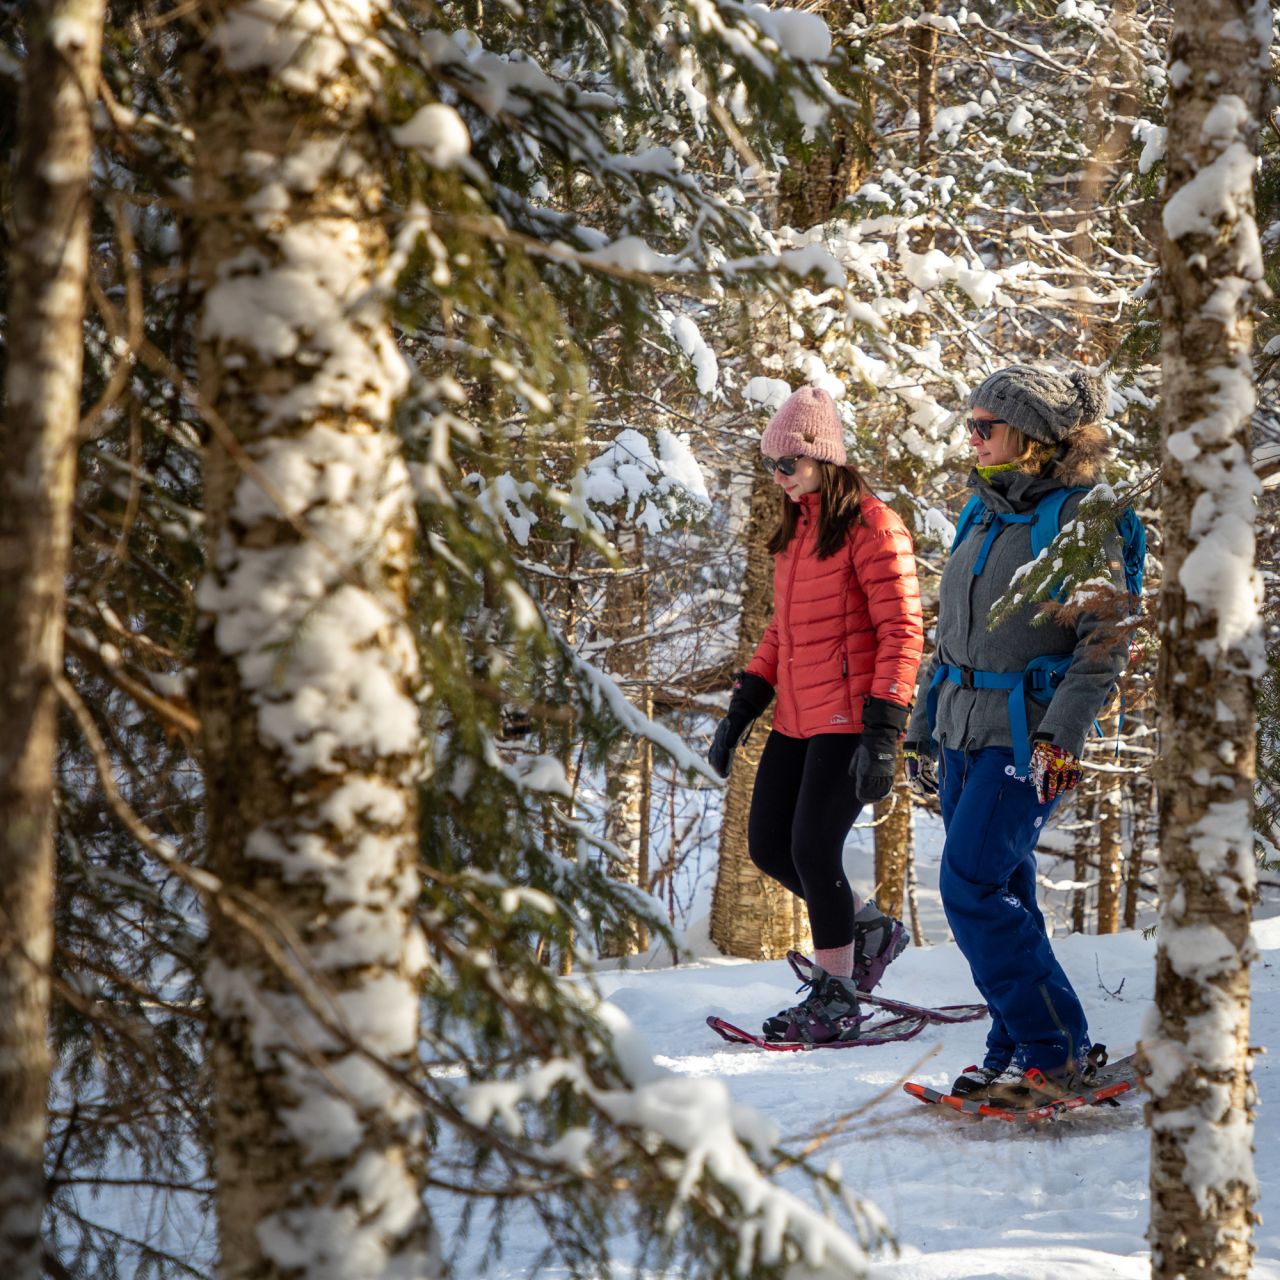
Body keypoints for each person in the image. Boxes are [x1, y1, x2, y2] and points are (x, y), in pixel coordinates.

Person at [903, 364, 1126, 1106]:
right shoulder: (982, 513)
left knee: (967, 887)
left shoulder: (1082, 518)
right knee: (1003, 892)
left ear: (1030, 437)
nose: (973, 436)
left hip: (1028, 739)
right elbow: (950, 643)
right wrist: (921, 731)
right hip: (965, 733)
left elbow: (1105, 643)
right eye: (970, 423)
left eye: (985, 425)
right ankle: (1014, 1048)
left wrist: (1060, 739)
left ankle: (1055, 1049)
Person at [708, 386, 924, 1044]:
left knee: (812, 848)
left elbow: (902, 631)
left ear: (824, 460)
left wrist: (884, 730)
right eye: (770, 465)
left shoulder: (873, 526)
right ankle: (870, 929)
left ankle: (838, 999)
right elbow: (783, 632)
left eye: (789, 465)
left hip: (851, 718)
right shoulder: (796, 534)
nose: (779, 478)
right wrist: (744, 705)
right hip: (798, 719)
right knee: (770, 847)